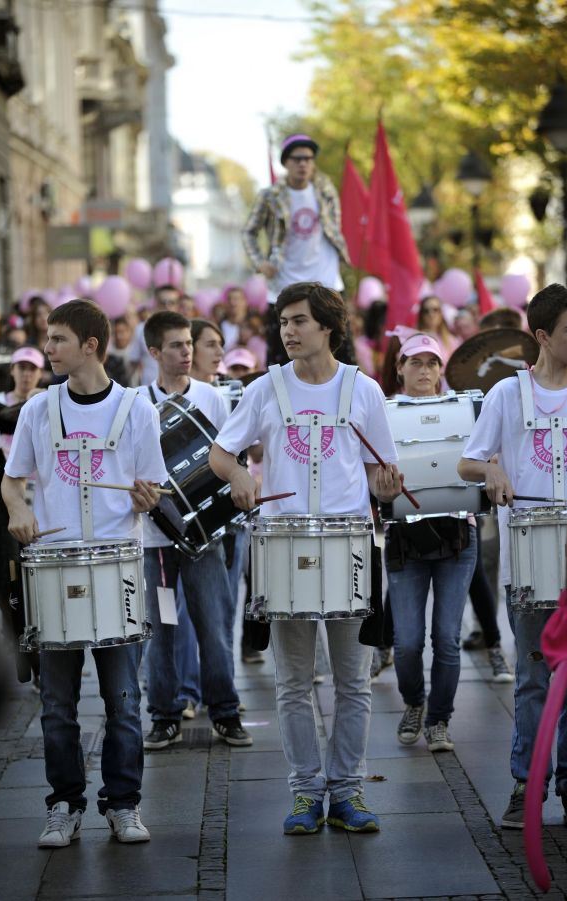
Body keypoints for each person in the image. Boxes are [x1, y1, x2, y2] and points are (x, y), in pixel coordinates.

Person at [210, 281, 402, 835]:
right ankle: (304, 793)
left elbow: (378, 477)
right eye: (283, 322)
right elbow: (222, 453)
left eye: (298, 321)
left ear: (327, 327)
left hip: (347, 544)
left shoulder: (363, 390)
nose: (287, 331)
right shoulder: (266, 388)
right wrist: (242, 471)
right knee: (293, 682)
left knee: (353, 679)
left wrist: (386, 485)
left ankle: (347, 790)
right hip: (286, 543)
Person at [1, 299, 166, 848]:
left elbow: (152, 486)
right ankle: (64, 804)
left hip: (117, 563)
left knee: (123, 700)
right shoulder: (37, 410)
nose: (47, 349)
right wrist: (19, 510)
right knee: (57, 704)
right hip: (54, 566)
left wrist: (147, 499)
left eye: (57, 339)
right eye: (48, 339)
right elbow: (12, 479)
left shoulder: (136, 408)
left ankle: (123, 804)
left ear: (90, 346)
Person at [458, 283, 567, 829]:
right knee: (535, 678)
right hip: (528, 561)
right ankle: (525, 784)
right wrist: (491, 469)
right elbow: (467, 462)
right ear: (541, 337)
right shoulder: (506, 396)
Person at [139, 310, 251, 751]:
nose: (187, 352)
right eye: (176, 345)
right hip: (157, 542)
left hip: (206, 537)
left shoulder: (213, 398)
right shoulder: (137, 403)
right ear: (154, 352)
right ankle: (164, 714)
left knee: (215, 625)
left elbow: (232, 457)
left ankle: (225, 711)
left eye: (189, 344)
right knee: (163, 628)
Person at [383, 334, 478, 752]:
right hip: (406, 540)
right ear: (400, 368)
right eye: (415, 362)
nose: (424, 370)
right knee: (405, 642)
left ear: (441, 370)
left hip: (458, 538)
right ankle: (414, 703)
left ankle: (439, 720)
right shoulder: (383, 411)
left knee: (447, 638)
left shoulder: (462, 409)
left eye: (432, 363)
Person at [242, 134, 350, 366]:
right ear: (286, 162)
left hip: (326, 283)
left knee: (340, 354)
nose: (303, 164)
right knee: (282, 360)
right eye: (297, 158)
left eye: (309, 159)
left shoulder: (325, 191)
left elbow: (335, 228)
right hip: (285, 284)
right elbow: (248, 232)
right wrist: (260, 263)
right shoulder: (270, 196)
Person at [128, 285, 181, 385]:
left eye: (172, 302)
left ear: (177, 305)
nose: (167, 306)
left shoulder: (186, 331)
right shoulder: (141, 329)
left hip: (178, 394)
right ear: (156, 303)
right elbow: (133, 363)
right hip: (148, 394)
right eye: (163, 302)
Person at [416, 295, 459, 365]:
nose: (431, 314)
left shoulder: (452, 341)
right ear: (421, 315)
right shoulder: (414, 339)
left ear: (441, 313)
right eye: (426, 311)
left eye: (435, 310)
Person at [190, 318, 225, 384]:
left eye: (220, 345)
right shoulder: (169, 390)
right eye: (211, 345)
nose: (221, 352)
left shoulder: (233, 389)